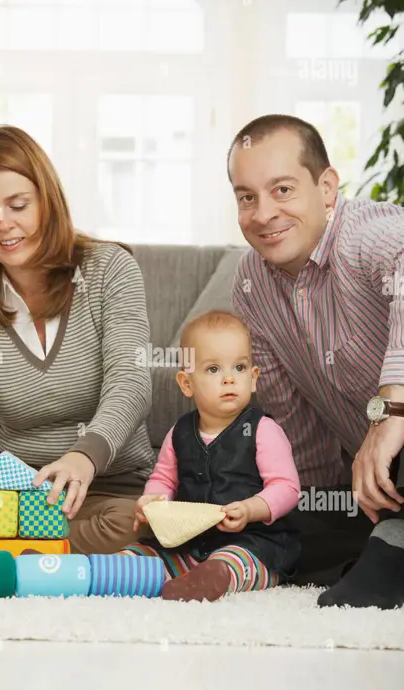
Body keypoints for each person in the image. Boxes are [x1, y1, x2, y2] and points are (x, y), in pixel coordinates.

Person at [0, 124, 156, 570]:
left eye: (17, 205)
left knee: (131, 524)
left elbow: (130, 382)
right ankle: (47, 560)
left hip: (105, 490)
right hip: (5, 497)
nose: (3, 224)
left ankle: (6, 558)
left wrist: (85, 455)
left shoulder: (112, 269)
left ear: (46, 199)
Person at [228, 113, 404, 609]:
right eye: (246, 197)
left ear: (327, 188)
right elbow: (297, 429)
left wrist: (394, 412)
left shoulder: (363, 235)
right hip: (377, 486)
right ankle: (381, 544)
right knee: (279, 533)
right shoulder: (252, 285)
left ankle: (388, 555)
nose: (263, 213)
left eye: (282, 189)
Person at [118, 309, 302, 602]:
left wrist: (251, 508)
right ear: (186, 383)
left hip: (255, 542)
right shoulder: (179, 432)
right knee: (137, 555)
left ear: (254, 378)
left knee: (233, 561)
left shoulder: (263, 430)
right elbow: (163, 479)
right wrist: (152, 501)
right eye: (213, 370)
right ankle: (91, 573)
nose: (229, 379)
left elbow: (287, 488)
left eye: (239, 368)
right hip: (190, 543)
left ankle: (211, 579)